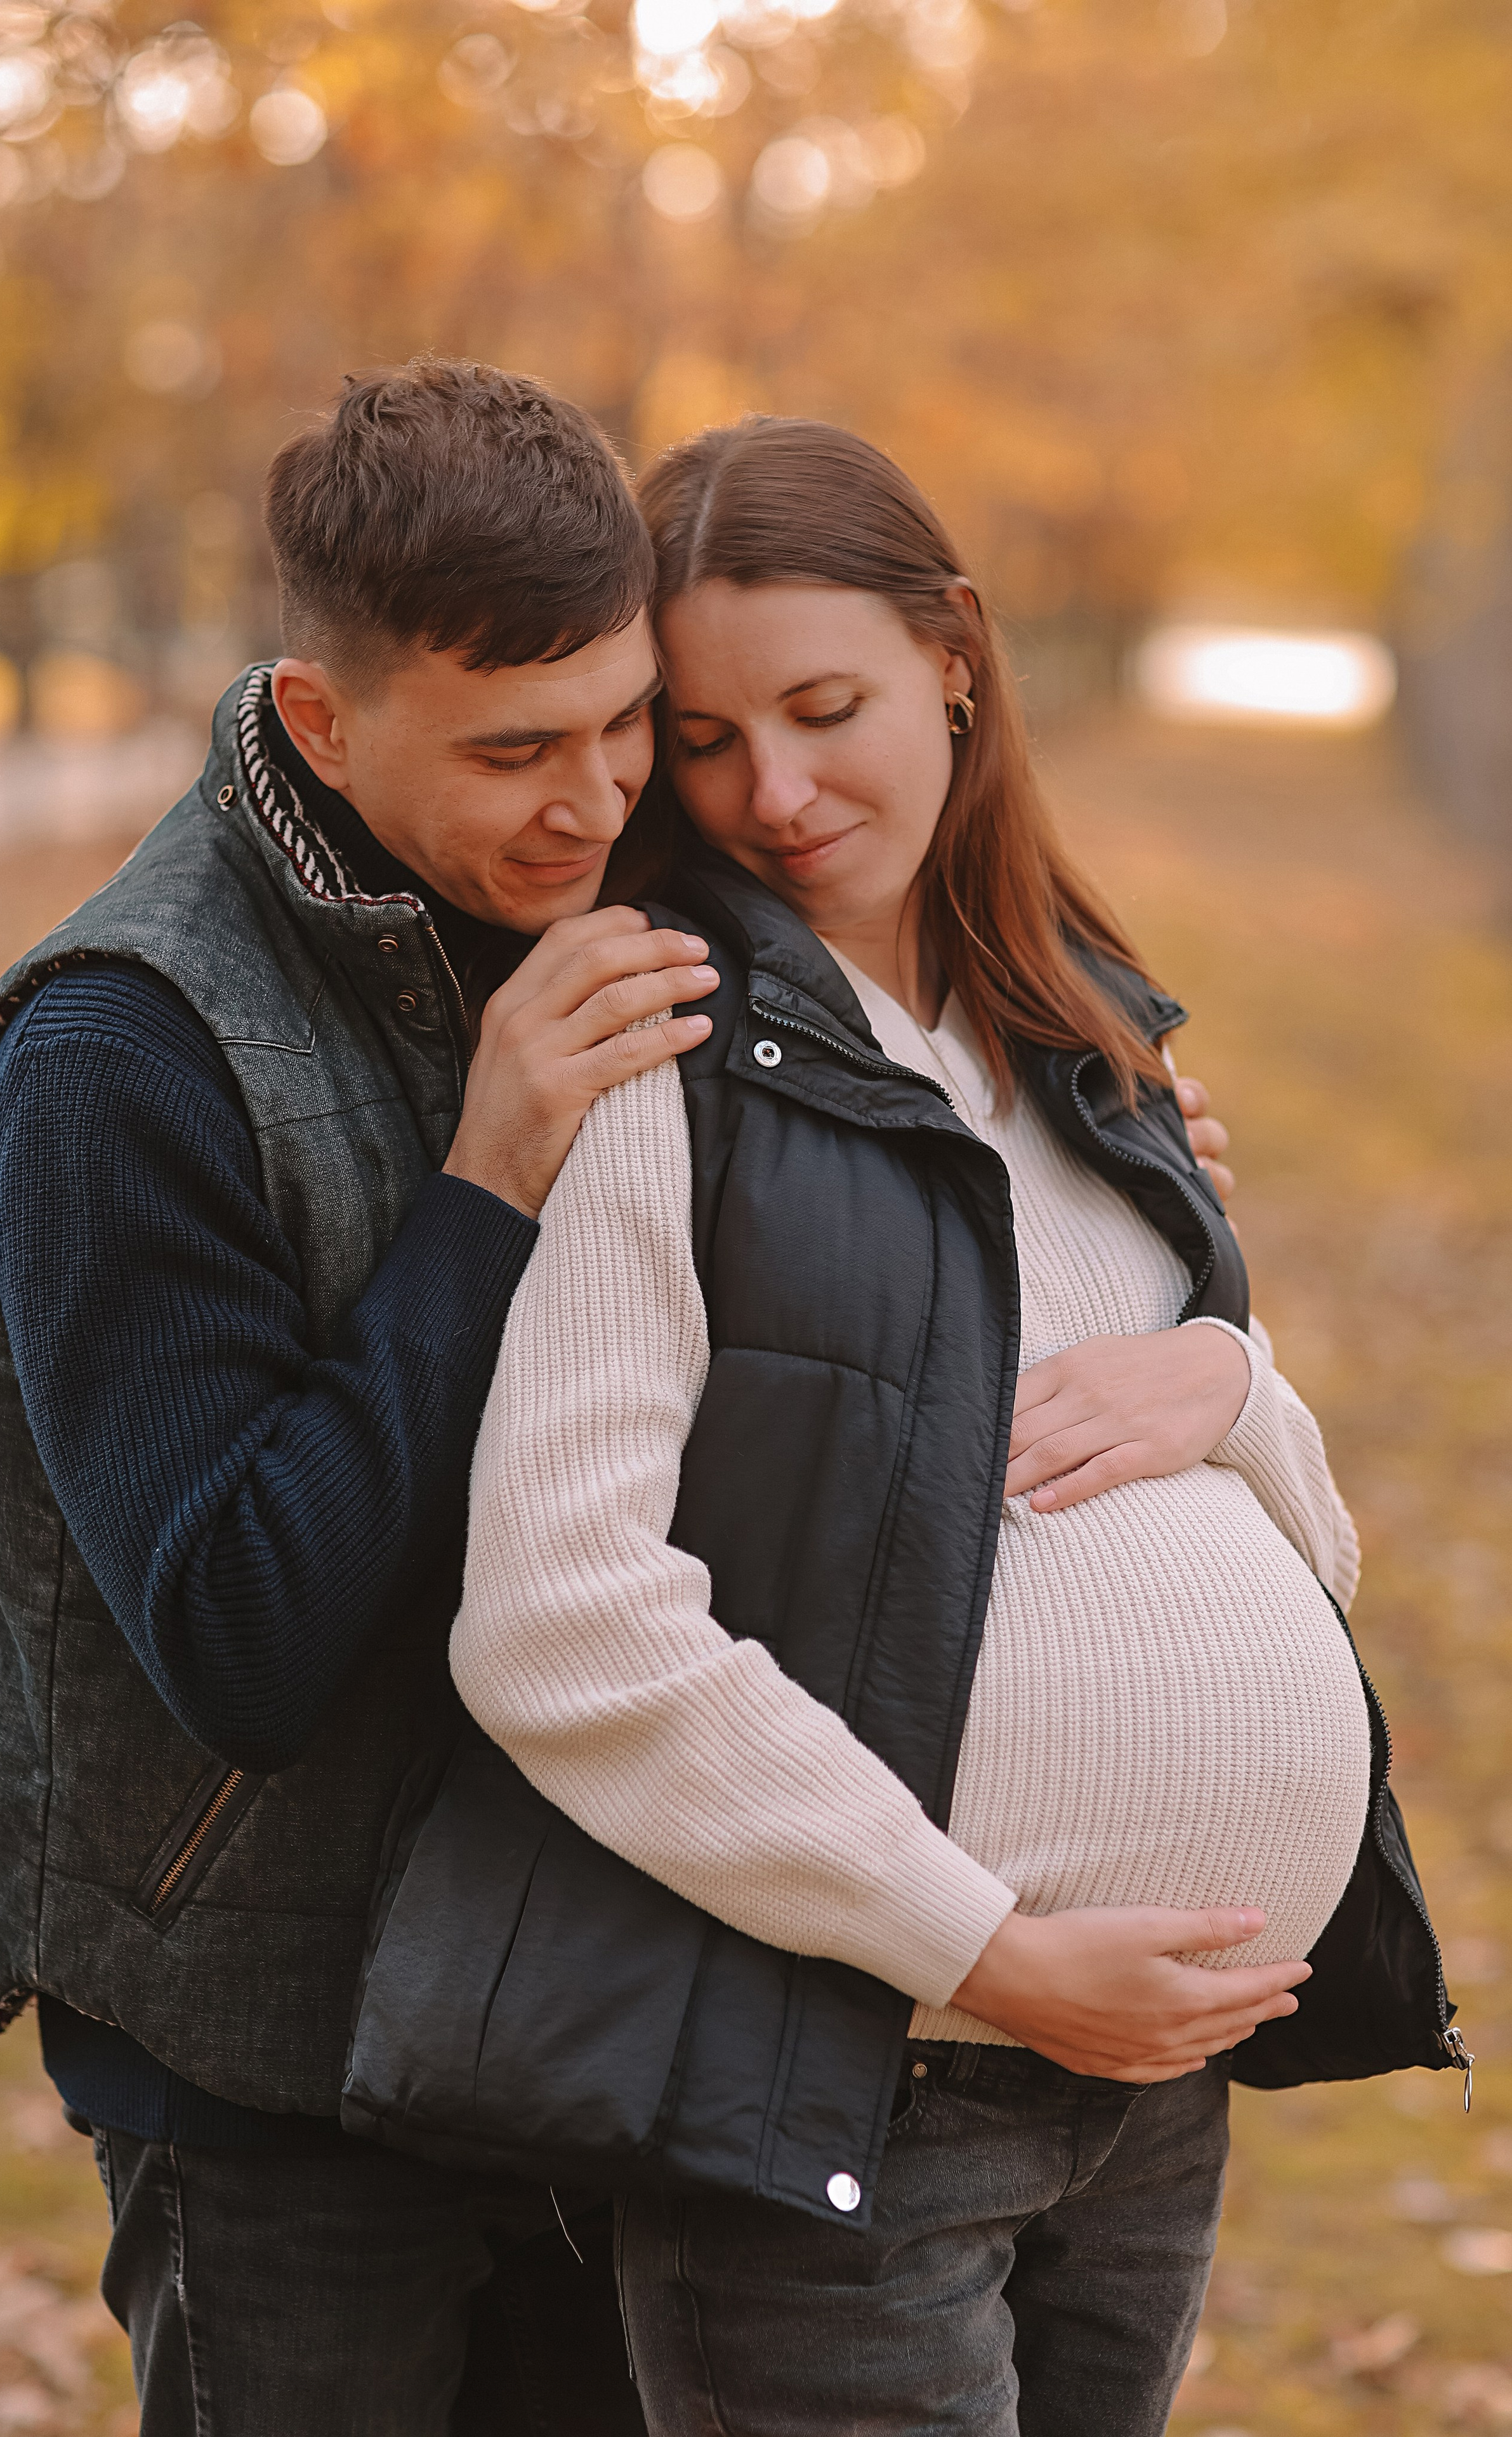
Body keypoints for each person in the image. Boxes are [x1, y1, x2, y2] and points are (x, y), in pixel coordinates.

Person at [346, 417, 1465, 2436]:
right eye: (701, 737)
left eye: (827, 705)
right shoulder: (663, 1066)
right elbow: (559, 1617)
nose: (770, 792)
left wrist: (1232, 1385)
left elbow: (1317, 1553)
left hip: (1150, 2100)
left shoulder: (1093, 1051)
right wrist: (993, 1950)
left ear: (957, 656)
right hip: (872, 2087)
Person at [0, 357, 723, 2437]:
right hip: (265, 2051)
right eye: (516, 747)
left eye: (627, 720)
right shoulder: (119, 1051)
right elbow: (245, 1635)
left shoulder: (579, 892)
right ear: (321, 716)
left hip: (578, 1980)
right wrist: (487, 1183)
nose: (594, 798)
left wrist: (1126, 1166)